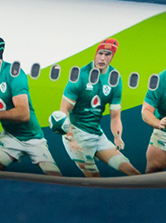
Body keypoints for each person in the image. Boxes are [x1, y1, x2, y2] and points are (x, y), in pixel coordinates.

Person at [0, 37, 61, 175]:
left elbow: (24, 114)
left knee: (54, 175)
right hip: (11, 135)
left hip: (33, 137)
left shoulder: (14, 73)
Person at [50, 38, 139, 177]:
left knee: (133, 172)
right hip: (77, 136)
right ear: (96, 53)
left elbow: (115, 116)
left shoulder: (114, 78)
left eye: (107, 54)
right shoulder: (81, 75)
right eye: (100, 53)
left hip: (97, 136)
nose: (102, 58)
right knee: (95, 180)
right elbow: (64, 111)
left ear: (112, 56)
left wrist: (117, 136)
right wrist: (70, 137)